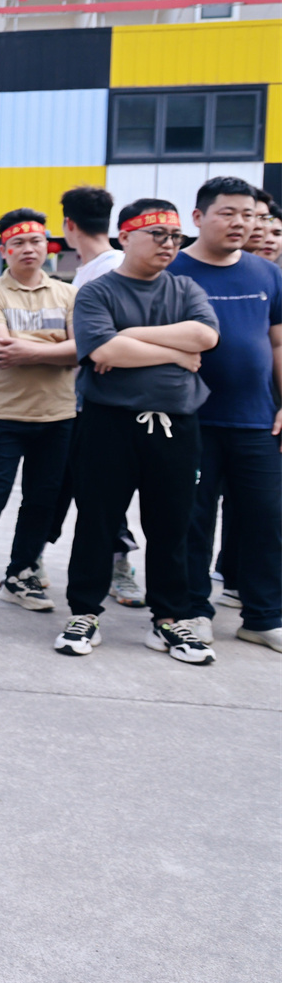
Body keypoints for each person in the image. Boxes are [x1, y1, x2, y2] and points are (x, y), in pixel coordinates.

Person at [59, 199, 219, 662]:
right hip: (108, 423)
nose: (169, 244)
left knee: (172, 524)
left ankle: (170, 618)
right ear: (125, 236)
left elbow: (206, 337)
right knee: (97, 521)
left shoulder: (185, 287)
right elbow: (103, 351)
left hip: (176, 424)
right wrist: (174, 350)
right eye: (158, 235)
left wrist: (129, 336)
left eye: (176, 237)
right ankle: (84, 612)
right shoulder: (97, 291)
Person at [168, 177, 282, 653]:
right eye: (229, 213)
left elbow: (278, 342)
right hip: (190, 418)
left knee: (266, 519)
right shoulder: (172, 270)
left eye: (249, 215)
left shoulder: (266, 273)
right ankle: (193, 610)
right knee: (191, 520)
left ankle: (264, 616)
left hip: (257, 420)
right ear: (198, 217)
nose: (241, 223)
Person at [0, 209, 77, 619]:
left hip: (58, 416)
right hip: (4, 414)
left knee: (42, 500)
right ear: (4, 250)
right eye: (18, 243)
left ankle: (20, 576)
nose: (28, 249)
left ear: (48, 246)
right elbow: (2, 349)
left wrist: (35, 348)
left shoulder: (69, 294)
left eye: (36, 241)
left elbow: (83, 350)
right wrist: (56, 347)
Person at [50, 186, 145, 605]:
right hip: (74, 400)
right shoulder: (89, 271)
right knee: (63, 488)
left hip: (106, 404)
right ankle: (31, 560)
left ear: (68, 225)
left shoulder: (111, 269)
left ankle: (118, 564)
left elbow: (105, 343)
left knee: (105, 493)